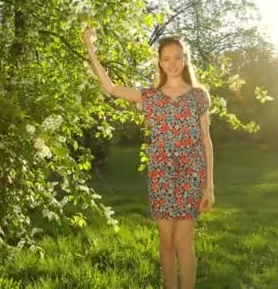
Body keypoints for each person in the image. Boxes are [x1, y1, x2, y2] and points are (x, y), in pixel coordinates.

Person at [82, 26, 215, 289]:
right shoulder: (150, 98)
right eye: (167, 59)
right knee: (166, 242)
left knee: (183, 242)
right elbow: (110, 88)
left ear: (185, 59)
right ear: (160, 63)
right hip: (161, 174)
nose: (173, 63)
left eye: (177, 57)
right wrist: (90, 48)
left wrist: (209, 184)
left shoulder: (199, 96)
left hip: (192, 172)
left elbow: (206, 140)